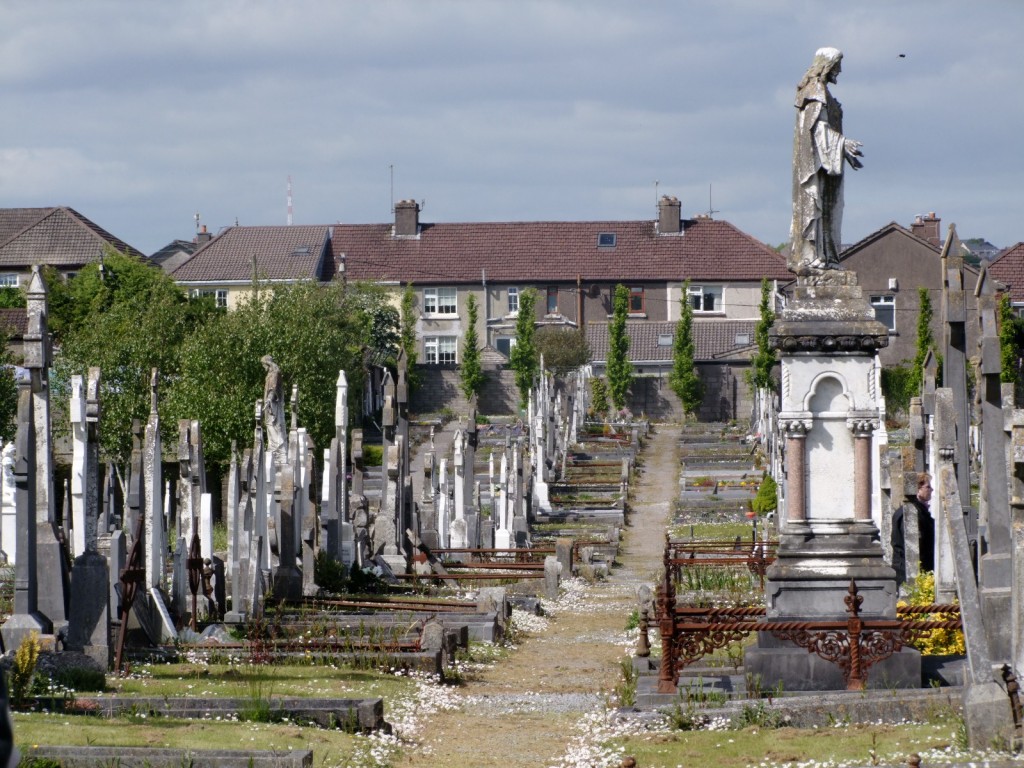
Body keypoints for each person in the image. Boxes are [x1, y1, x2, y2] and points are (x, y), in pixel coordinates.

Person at [789, 47, 864, 274]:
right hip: (814, 167)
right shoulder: (814, 91)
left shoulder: (824, 93)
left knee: (833, 208)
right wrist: (842, 144)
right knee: (818, 208)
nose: (839, 71)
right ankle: (813, 257)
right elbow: (817, 131)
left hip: (826, 166)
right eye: (837, 65)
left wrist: (842, 151)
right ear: (827, 66)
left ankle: (828, 257)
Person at [891, 473, 935, 583]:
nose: (932, 490)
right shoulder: (910, 513)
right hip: (907, 569)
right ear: (917, 489)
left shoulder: (919, 511)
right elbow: (913, 543)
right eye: (928, 487)